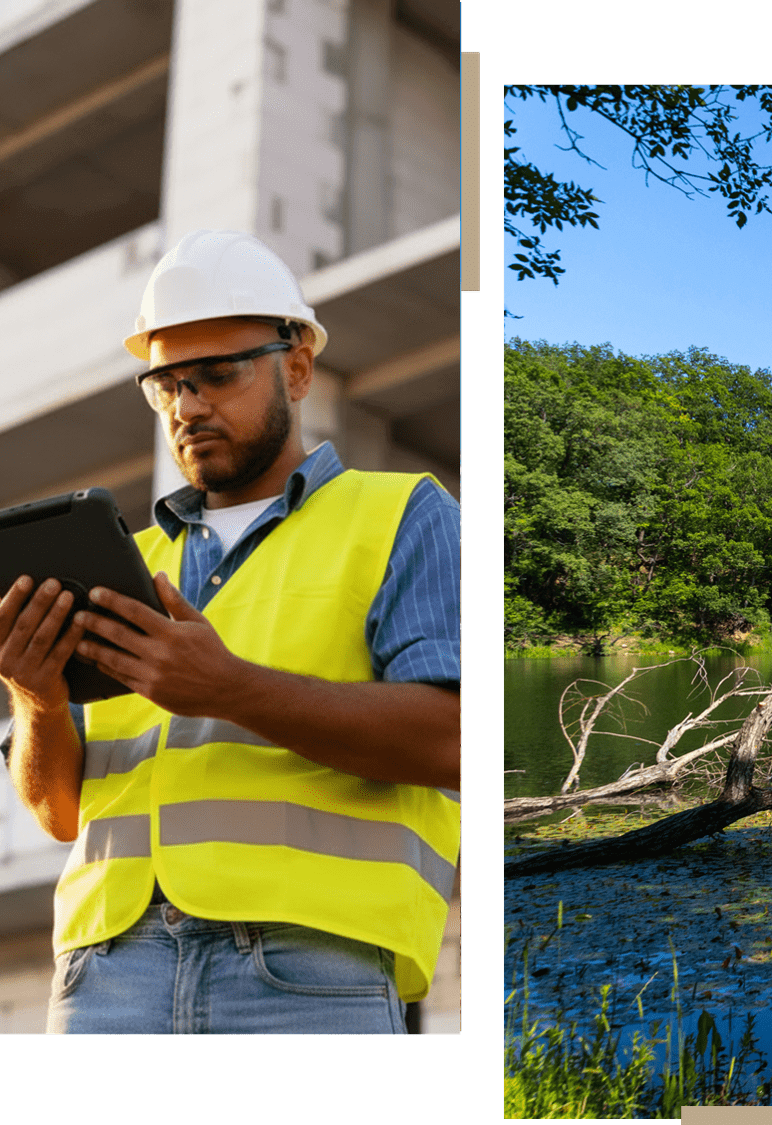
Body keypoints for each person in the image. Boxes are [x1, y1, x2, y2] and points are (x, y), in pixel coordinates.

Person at [0, 229, 460, 1034]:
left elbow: (452, 738)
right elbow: (61, 813)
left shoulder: (401, 515)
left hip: (309, 969)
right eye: (166, 384)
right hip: (105, 971)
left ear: (297, 366)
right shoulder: (123, 562)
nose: (188, 405)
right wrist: (35, 699)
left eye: (216, 375)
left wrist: (228, 687)